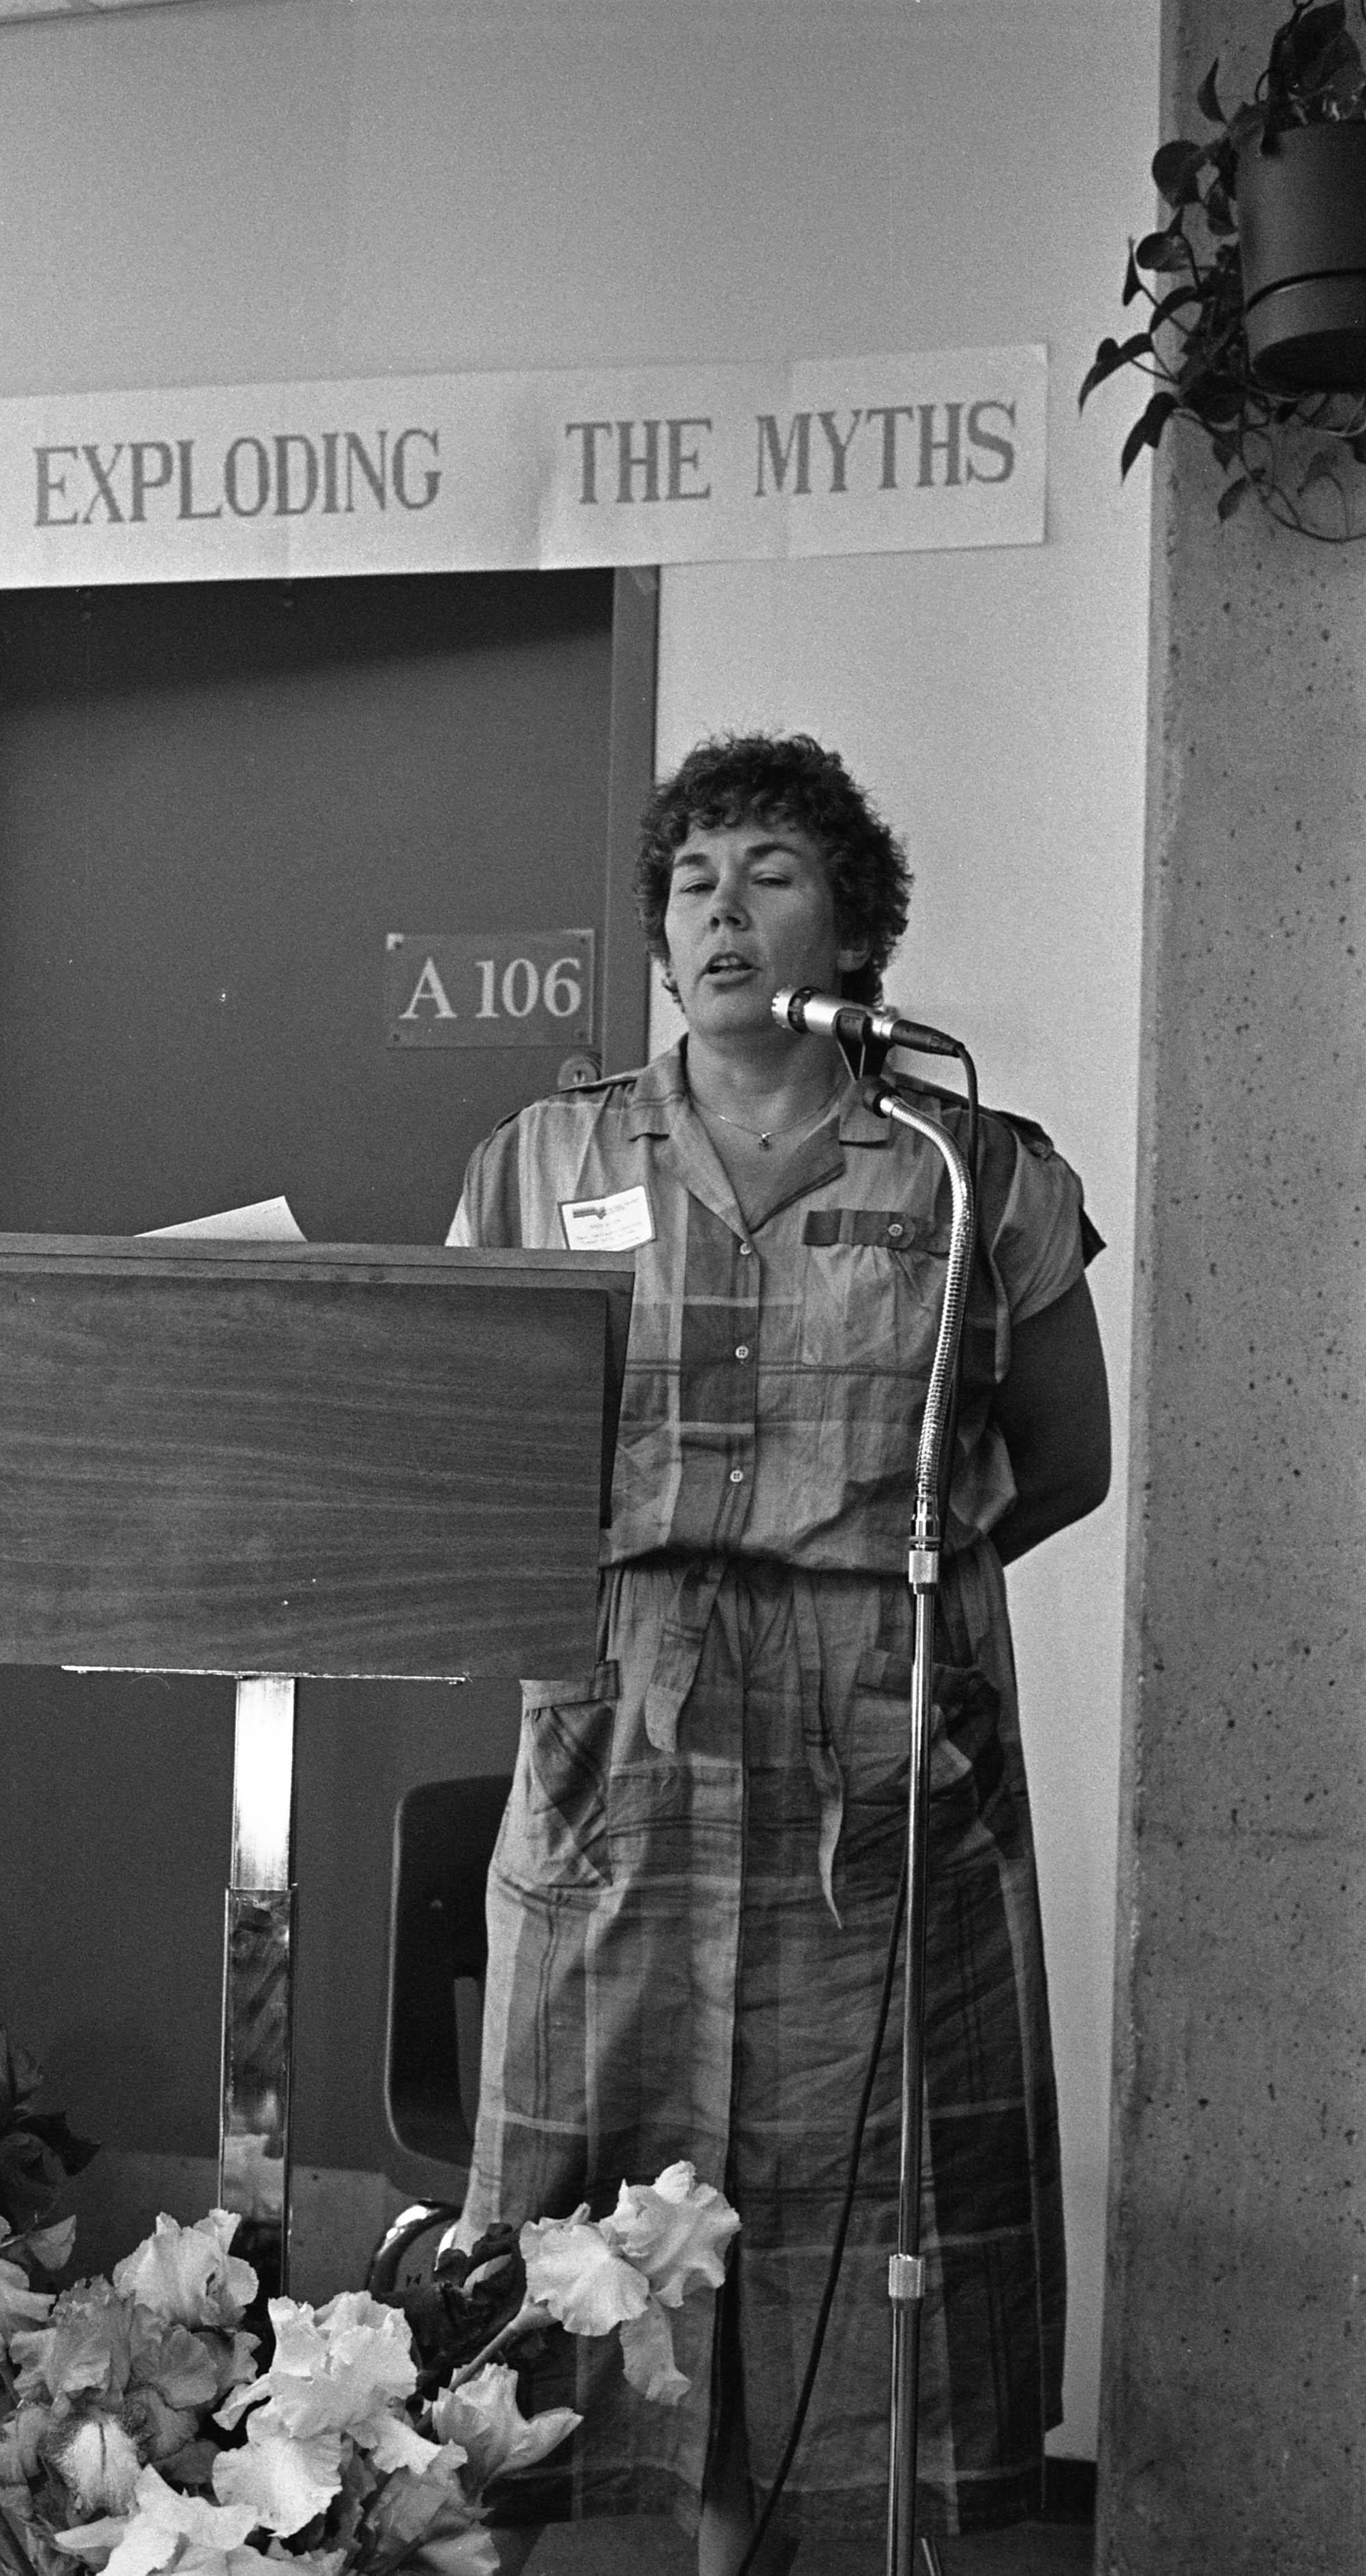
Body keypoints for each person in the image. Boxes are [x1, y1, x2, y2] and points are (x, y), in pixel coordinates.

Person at [446, 732, 1110, 2575]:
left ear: (854, 927)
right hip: (624, 1729)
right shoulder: (541, 1160)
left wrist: (876, 1600)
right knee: (590, 2179)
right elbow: (460, 1442)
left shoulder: (976, 1167)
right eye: (692, 881)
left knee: (862, 2196)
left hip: (878, 1754)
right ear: (661, 937)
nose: (723, 911)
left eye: (771, 873)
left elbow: (1063, 1459)